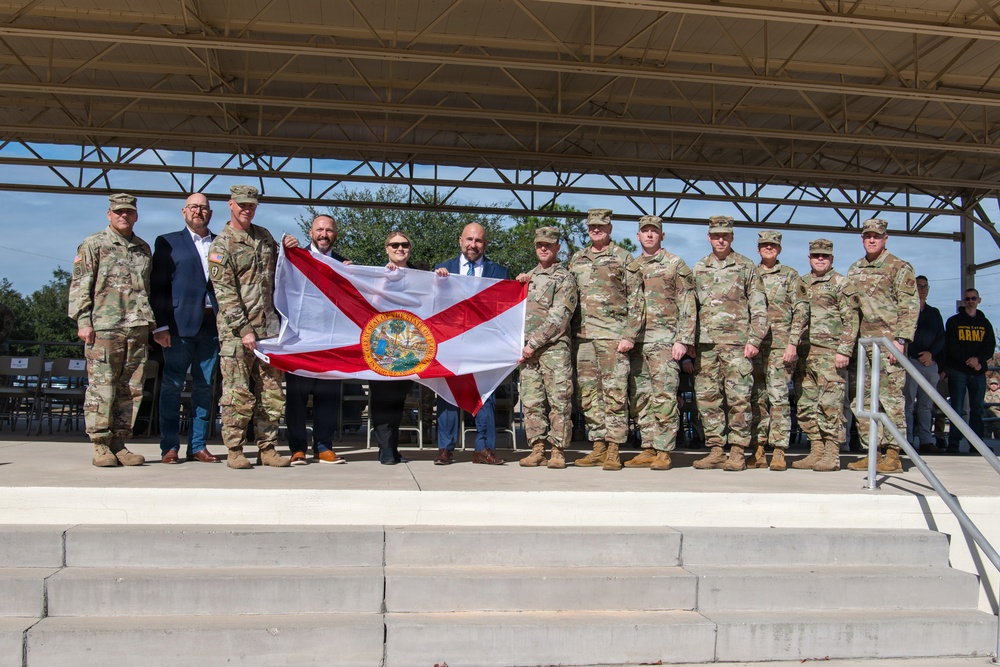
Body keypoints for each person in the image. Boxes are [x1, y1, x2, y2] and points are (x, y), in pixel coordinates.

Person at [68, 193, 153, 467]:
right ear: (109, 214)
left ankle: (120, 442)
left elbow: (146, 289)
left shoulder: (142, 248)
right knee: (102, 388)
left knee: (131, 389)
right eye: (118, 212)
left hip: (137, 328)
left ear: (135, 215)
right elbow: (80, 285)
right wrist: (83, 321)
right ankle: (100, 444)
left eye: (128, 212)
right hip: (104, 327)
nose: (123, 216)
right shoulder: (93, 244)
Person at [207, 185, 289, 469]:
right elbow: (225, 294)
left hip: (269, 331)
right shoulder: (221, 245)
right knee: (237, 395)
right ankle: (235, 449)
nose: (247, 209)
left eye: (251, 205)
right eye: (242, 204)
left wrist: (293, 250)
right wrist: (243, 329)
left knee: (272, 393)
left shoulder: (264, 237)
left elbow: (283, 273)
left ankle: (267, 448)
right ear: (231, 205)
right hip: (236, 335)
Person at [691, 215, 769, 472]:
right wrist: (690, 340)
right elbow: (690, 308)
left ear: (732, 237)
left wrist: (755, 339)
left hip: (737, 344)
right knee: (707, 399)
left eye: (725, 235)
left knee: (739, 399)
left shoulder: (746, 266)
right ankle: (715, 450)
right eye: (716, 235)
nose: (720, 239)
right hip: (706, 345)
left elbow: (759, 307)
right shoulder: (699, 267)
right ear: (709, 237)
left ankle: (737, 451)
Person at [568, 208, 644, 471]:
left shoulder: (624, 258)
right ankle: (598, 445)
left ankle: (614, 448)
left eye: (601, 226)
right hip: (584, 338)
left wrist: (630, 335)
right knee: (588, 395)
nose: (596, 230)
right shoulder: (577, 259)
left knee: (614, 395)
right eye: (592, 227)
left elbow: (636, 299)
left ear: (610, 229)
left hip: (613, 337)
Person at [150, 193, 221, 465]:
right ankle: (169, 446)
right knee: (172, 386)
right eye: (193, 207)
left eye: (203, 208)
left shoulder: (220, 243)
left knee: (205, 388)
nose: (198, 212)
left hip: (212, 325)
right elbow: (158, 286)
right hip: (178, 325)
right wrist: (161, 325)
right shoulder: (167, 242)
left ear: (210, 214)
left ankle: (198, 444)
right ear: (183, 211)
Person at [846, 218, 919, 474]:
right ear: (862, 238)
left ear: (885, 238)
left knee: (891, 400)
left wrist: (900, 341)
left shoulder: (899, 267)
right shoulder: (855, 269)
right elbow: (850, 309)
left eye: (877, 236)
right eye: (867, 236)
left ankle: (893, 454)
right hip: (863, 345)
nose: (872, 239)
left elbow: (909, 306)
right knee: (863, 401)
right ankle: (871, 451)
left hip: (889, 346)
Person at [432, 222, 508, 465]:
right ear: (460, 241)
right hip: (451, 345)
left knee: (484, 396)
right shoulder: (442, 270)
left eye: (478, 241)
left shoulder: (499, 273)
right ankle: (445, 448)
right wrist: (436, 283)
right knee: (448, 396)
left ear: (485, 244)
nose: (473, 245)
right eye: (469, 239)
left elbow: (505, 311)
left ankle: (483, 449)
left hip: (484, 346)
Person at [624, 216, 696, 471]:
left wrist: (683, 341)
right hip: (637, 343)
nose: (650, 235)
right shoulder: (631, 266)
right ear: (638, 236)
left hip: (665, 342)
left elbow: (687, 303)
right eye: (645, 231)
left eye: (654, 231)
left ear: (662, 236)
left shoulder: (675, 264)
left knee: (664, 397)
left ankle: (664, 450)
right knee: (641, 397)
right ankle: (649, 447)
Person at [280, 215, 348, 465]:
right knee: (297, 398)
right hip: (300, 341)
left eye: (329, 230)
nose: (324, 234)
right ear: (310, 232)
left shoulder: (345, 265)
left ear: (335, 235)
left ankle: (323, 447)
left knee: (328, 398)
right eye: (320, 229)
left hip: (332, 344)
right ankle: (297, 448)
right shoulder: (295, 257)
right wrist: (285, 249)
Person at [793, 239, 861, 471]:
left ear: (832, 258)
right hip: (805, 354)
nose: (820, 259)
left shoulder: (841, 283)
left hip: (830, 354)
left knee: (830, 405)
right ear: (809, 258)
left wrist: (844, 349)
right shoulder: (801, 283)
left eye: (824, 256)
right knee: (806, 405)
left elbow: (851, 319)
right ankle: (816, 450)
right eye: (815, 256)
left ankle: (832, 454)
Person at [515, 226, 578, 469]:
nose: (543, 248)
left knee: (559, 400)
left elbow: (559, 318)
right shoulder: (528, 277)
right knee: (532, 401)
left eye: (548, 245)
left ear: (557, 248)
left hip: (553, 349)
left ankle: (558, 450)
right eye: (539, 244)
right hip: (528, 352)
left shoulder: (564, 278)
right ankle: (537, 448)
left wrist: (532, 344)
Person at [749, 231, 808, 471]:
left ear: (779, 249)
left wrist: (793, 342)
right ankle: (759, 447)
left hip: (779, 347)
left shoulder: (790, 276)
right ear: (758, 248)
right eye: (764, 245)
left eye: (773, 245)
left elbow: (801, 310)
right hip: (754, 347)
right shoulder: (751, 273)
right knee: (756, 398)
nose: (768, 248)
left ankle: (780, 449)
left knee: (779, 399)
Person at [369, 230, 421, 465]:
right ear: (386, 248)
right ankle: (385, 447)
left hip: (408, 346)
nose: (400, 249)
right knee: (382, 396)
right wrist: (384, 279)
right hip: (382, 343)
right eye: (395, 245)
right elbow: (372, 303)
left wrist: (441, 277)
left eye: (404, 245)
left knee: (399, 397)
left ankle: (391, 445)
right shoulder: (376, 275)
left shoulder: (420, 275)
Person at [943, 287, 996, 455]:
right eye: (967, 299)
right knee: (957, 408)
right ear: (963, 301)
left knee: (977, 409)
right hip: (958, 370)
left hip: (979, 372)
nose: (970, 301)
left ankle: (977, 444)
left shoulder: (985, 323)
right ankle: (953, 443)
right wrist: (970, 361)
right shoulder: (953, 322)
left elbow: (989, 346)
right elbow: (952, 346)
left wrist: (978, 361)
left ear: (979, 300)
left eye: (973, 298)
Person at [903, 275, 945, 454]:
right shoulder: (906, 311)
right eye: (919, 286)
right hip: (911, 361)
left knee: (926, 405)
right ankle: (908, 440)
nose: (923, 289)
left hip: (930, 364)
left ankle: (927, 440)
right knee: (908, 403)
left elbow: (941, 337)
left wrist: (931, 354)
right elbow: (902, 337)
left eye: (925, 286)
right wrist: (914, 354)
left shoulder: (934, 313)